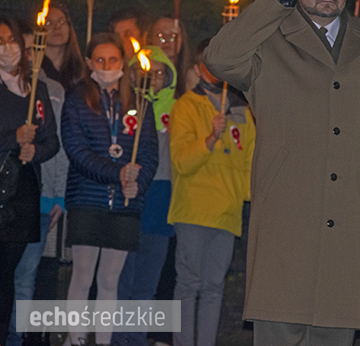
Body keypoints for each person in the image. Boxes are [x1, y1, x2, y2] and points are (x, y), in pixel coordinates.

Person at [203, 0, 360, 346]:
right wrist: (272, 3)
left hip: (347, 225)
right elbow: (218, 59)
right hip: (285, 227)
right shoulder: (266, 41)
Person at [61, 32, 158, 346]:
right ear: (89, 62)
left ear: (123, 63)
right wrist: (118, 173)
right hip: (87, 197)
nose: (106, 66)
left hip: (125, 204)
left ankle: (103, 341)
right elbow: (77, 150)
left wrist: (136, 184)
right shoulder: (77, 99)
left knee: (109, 280)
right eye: (100, 60)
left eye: (113, 59)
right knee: (82, 275)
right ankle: (76, 338)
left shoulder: (139, 103)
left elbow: (149, 152)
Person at [167, 38, 254, 346]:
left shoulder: (242, 110)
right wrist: (210, 139)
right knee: (188, 284)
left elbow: (249, 162)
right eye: (210, 61)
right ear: (198, 67)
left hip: (227, 213)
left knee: (214, 287)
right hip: (194, 209)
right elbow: (181, 161)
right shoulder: (186, 106)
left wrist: (250, 200)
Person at [5, 23, 69, 346]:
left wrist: (38, 152)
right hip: (4, 195)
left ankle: (15, 338)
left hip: (33, 196)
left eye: (33, 48)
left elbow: (54, 142)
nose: (27, 54)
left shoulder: (44, 90)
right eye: (23, 48)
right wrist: (13, 139)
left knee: (23, 276)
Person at [115, 45, 178, 346]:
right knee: (121, 276)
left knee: (147, 278)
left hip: (161, 195)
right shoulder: (122, 106)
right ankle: (116, 338)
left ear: (168, 78)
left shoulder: (178, 109)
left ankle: (136, 338)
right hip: (129, 193)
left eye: (159, 73)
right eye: (145, 72)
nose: (152, 78)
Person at [41, 3, 85, 90]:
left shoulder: (80, 71)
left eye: (61, 22)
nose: (57, 27)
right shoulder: (34, 69)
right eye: (48, 23)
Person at [149, 16, 195, 96]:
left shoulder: (192, 77)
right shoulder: (142, 73)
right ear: (150, 39)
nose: (167, 40)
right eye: (160, 35)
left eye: (173, 35)